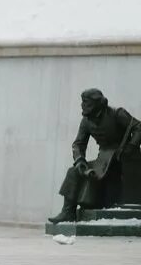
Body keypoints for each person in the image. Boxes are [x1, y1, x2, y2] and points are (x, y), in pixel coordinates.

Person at [48, 88, 141, 223]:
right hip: (103, 159)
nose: (83, 105)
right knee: (74, 171)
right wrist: (80, 160)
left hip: (121, 158)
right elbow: (78, 144)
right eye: (82, 102)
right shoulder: (86, 121)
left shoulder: (117, 113)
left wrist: (131, 146)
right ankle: (68, 211)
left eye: (86, 102)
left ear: (98, 103)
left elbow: (138, 127)